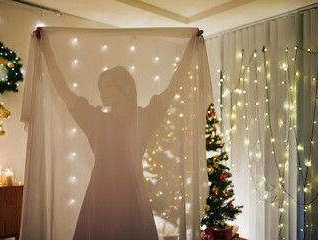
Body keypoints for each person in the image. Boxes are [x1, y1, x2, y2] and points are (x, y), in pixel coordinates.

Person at [34, 28, 203, 240]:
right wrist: (46, 49)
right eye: (100, 87)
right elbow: (62, 89)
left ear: (125, 89)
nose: (102, 92)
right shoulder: (96, 120)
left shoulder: (143, 118)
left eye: (108, 86)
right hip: (101, 192)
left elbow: (174, 85)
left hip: (131, 193)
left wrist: (190, 47)